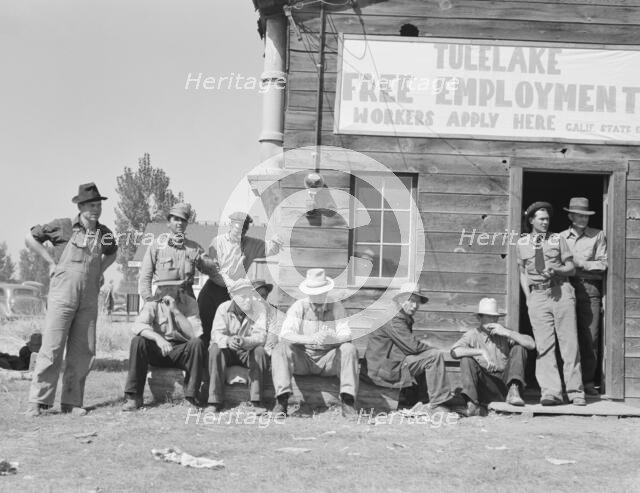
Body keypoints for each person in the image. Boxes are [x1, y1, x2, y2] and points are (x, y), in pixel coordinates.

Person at [25, 183, 117, 417]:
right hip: (62, 297)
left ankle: (72, 401)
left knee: (83, 350)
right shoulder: (63, 227)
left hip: (88, 300)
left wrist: (100, 271)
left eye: (98, 205)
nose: (95, 210)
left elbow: (113, 252)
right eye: (90, 205)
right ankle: (38, 401)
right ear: (80, 206)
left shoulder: (104, 233)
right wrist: (49, 262)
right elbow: (31, 238)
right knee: (52, 347)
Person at [517, 201, 586, 406]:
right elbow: (521, 272)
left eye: (547, 219)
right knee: (544, 346)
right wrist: (528, 297)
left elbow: (571, 268)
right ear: (531, 220)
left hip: (561, 291)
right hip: (537, 296)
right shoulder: (521, 243)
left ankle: (575, 392)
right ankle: (551, 392)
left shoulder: (558, 239)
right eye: (541, 218)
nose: (546, 222)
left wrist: (557, 271)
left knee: (569, 343)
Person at [271, 269, 358, 417]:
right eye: (314, 294)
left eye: (320, 293)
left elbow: (347, 334)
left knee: (349, 349)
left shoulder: (336, 307)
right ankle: (282, 402)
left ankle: (348, 402)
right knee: (280, 349)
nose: (317, 297)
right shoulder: (299, 306)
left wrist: (334, 338)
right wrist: (310, 339)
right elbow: (285, 335)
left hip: (327, 359)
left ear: (326, 292)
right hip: (303, 358)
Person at [363, 282, 457, 412]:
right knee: (434, 356)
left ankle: (423, 400)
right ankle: (438, 403)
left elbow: (409, 347)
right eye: (411, 301)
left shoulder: (397, 314)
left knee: (424, 356)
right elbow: (412, 347)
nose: (415, 306)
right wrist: (431, 349)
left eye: (417, 302)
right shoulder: (394, 318)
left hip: (387, 365)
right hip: (382, 370)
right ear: (401, 299)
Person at [122, 268, 207, 411]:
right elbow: (138, 325)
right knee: (138, 341)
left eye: (169, 286)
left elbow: (195, 334)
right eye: (161, 286)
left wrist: (176, 311)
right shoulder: (153, 303)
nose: (163, 290)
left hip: (180, 351)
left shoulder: (190, 303)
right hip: (159, 350)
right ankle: (133, 397)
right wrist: (157, 339)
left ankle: (191, 397)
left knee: (197, 344)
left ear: (178, 287)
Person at [197, 211, 283, 346]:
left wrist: (279, 237)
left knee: (232, 326)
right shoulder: (218, 242)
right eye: (239, 226)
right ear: (231, 225)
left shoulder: (252, 244)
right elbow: (214, 269)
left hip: (237, 291)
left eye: (245, 227)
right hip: (214, 286)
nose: (242, 230)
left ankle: (230, 355)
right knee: (203, 322)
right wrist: (229, 282)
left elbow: (272, 248)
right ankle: (203, 357)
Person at [451, 298, 536, 416]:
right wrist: (479, 351)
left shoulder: (504, 332)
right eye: (488, 317)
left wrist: (508, 333)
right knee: (466, 359)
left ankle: (514, 391)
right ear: (479, 318)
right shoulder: (472, 335)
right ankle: (472, 405)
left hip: (506, 385)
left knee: (519, 348)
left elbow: (531, 344)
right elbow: (454, 352)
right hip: (486, 385)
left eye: (495, 317)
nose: (492, 320)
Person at [138, 203, 218, 324]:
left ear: (186, 224)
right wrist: (149, 301)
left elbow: (211, 269)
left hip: (187, 302)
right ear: (168, 223)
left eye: (183, 220)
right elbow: (145, 277)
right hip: (162, 300)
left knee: (194, 338)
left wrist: (200, 261)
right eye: (176, 219)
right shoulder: (156, 246)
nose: (180, 223)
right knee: (157, 337)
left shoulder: (194, 247)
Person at [559, 198, 607, 396]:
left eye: (586, 216)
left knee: (590, 337)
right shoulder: (560, 237)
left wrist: (579, 263)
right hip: (565, 288)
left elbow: (603, 265)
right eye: (579, 215)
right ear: (570, 216)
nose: (583, 219)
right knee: (566, 336)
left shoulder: (598, 235)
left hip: (590, 290)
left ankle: (587, 382)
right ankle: (567, 382)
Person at [207, 279, 268, 413]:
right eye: (243, 296)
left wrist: (244, 341)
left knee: (260, 351)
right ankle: (214, 400)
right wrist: (228, 340)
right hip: (227, 351)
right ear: (232, 296)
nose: (247, 300)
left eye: (250, 295)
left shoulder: (259, 309)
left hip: (247, 352)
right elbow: (215, 334)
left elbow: (261, 336)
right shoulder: (223, 308)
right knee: (215, 349)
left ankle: (257, 401)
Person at [252, 279, 283, 356]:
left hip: (264, 354)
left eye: (263, 295)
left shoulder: (274, 313)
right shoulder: (246, 311)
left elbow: (271, 343)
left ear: (267, 295)